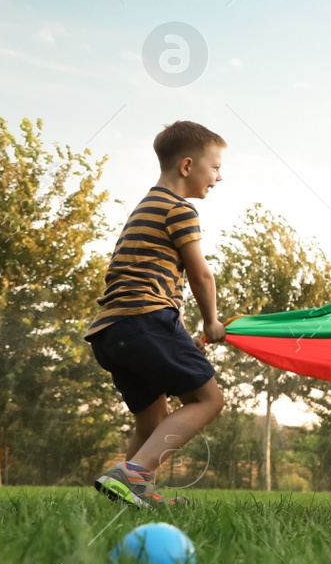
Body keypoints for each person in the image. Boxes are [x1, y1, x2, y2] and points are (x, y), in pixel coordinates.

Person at [88, 121, 228, 508]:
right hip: (145, 320)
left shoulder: (145, 206)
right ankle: (133, 474)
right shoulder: (179, 209)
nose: (220, 176)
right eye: (215, 167)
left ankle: (129, 492)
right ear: (187, 166)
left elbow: (143, 279)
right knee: (209, 399)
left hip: (112, 330)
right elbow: (200, 273)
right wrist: (211, 322)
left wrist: (179, 334)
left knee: (151, 423)